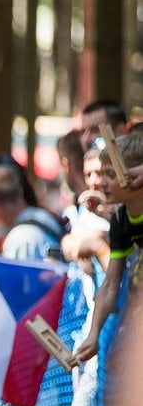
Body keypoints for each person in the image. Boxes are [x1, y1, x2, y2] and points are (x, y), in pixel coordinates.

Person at [74, 134, 143, 364]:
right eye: (101, 173)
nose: (101, 182)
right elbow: (111, 282)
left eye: (111, 175)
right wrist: (93, 334)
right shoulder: (122, 219)